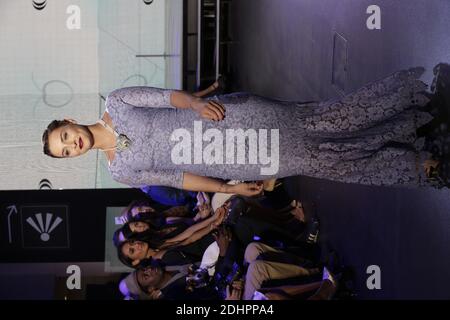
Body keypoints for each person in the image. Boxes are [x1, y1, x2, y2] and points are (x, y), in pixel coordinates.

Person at [41, 66, 449, 189]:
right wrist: (226, 187)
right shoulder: (120, 172)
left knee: (331, 119)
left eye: (64, 137)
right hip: (237, 161)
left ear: (70, 121)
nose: (71, 145)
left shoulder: (116, 101)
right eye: (66, 152)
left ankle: (416, 100)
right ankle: (420, 163)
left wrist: (198, 102)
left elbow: (166, 97)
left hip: (234, 119)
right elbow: (178, 178)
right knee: (331, 162)